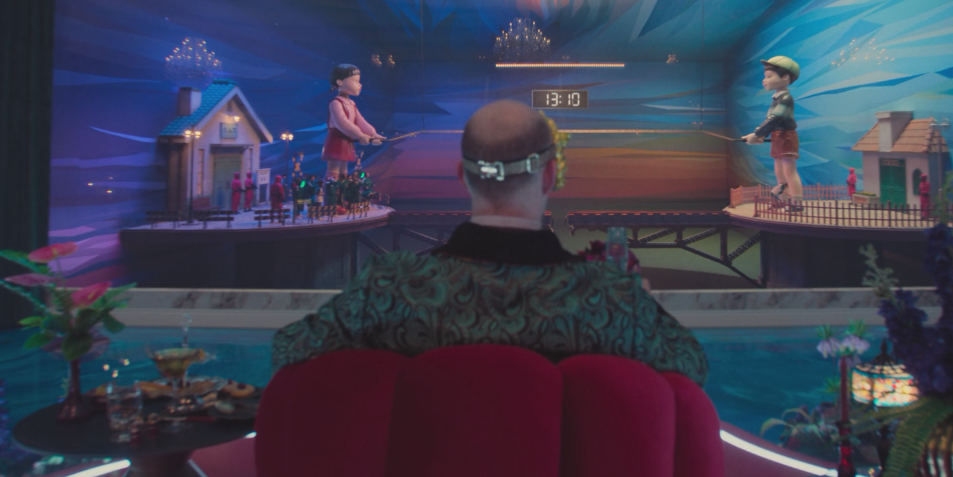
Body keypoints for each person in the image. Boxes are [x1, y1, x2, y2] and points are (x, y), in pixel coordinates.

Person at [273, 100, 708, 386]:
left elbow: (290, 352)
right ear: (551, 175)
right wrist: (636, 300)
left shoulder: (389, 288)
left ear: (463, 177)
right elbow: (691, 367)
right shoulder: (609, 299)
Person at [742, 55, 803, 212]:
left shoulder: (785, 98)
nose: (765, 80)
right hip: (778, 136)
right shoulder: (776, 98)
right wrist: (760, 136)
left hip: (786, 136)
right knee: (779, 173)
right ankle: (783, 199)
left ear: (785, 77)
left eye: (769, 76)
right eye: (765, 77)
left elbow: (775, 118)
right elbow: (771, 122)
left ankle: (796, 203)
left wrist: (757, 134)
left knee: (789, 171)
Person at [322, 64, 383, 181]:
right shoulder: (335, 103)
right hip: (336, 140)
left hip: (347, 140)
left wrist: (373, 134)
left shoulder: (352, 103)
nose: (360, 85)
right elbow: (342, 123)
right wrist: (360, 135)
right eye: (355, 81)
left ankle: (342, 191)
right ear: (340, 82)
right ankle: (331, 191)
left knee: (343, 172)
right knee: (333, 172)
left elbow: (361, 121)